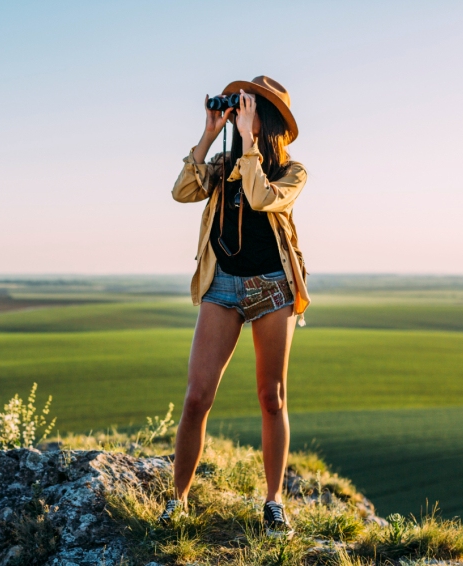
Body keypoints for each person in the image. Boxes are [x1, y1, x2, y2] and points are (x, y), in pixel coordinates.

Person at [162, 76, 310, 535]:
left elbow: (261, 197)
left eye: (250, 107)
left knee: (272, 396)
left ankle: (273, 502)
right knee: (196, 396)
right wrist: (210, 134)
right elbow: (182, 191)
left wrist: (247, 144)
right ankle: (178, 499)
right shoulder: (224, 162)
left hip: (272, 289)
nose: (242, 112)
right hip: (222, 284)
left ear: (268, 121)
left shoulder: (292, 172)